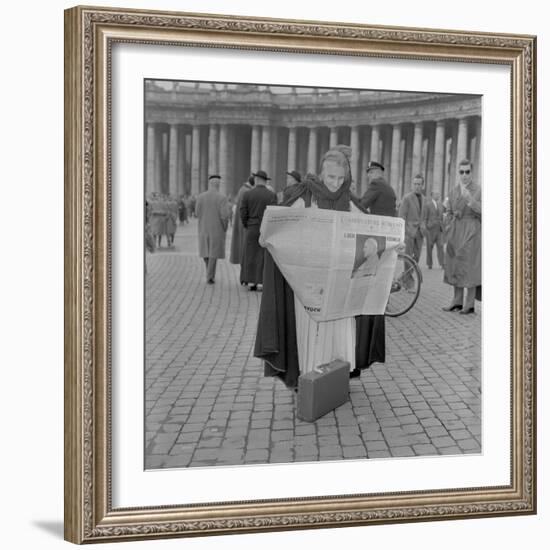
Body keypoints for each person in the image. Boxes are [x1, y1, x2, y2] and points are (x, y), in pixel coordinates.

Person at [254, 145, 386, 389]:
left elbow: (373, 229)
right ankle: (309, 378)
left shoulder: (350, 201)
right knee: (311, 331)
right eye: (330, 177)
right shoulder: (306, 196)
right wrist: (266, 236)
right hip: (308, 284)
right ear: (321, 174)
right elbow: (277, 224)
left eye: (340, 178)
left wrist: (393, 246)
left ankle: (334, 378)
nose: (335, 184)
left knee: (337, 330)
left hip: (339, 284)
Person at [442, 159, 481, 314]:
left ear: (472, 172)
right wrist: (449, 221)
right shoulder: (453, 190)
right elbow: (449, 211)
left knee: (470, 266)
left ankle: (469, 304)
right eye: (461, 172)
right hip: (456, 230)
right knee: (454, 264)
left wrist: (470, 201)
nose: (464, 175)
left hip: (472, 230)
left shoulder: (478, 189)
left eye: (467, 172)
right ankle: (456, 301)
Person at [240, 170, 277, 291]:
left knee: (250, 254)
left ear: (256, 180)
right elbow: (274, 214)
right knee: (262, 254)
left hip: (251, 227)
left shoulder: (247, 194)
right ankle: (261, 281)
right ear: (265, 181)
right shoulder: (271, 195)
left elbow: (243, 212)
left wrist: (247, 224)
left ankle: (251, 281)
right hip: (265, 228)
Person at [195, 175, 231, 284]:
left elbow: (196, 213)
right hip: (217, 229)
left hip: (203, 228)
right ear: (218, 185)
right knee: (213, 253)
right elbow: (224, 215)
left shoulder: (201, 197)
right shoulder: (222, 197)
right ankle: (209, 276)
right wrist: (225, 227)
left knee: (206, 252)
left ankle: (209, 273)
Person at [229, 176, 255, 285]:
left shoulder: (242, 190)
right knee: (246, 253)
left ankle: (244, 277)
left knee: (243, 252)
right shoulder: (246, 191)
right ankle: (245, 278)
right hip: (245, 226)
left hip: (241, 225)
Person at [398, 174, 426, 263]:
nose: (417, 186)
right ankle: (408, 276)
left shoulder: (424, 199)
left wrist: (424, 227)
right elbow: (401, 217)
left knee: (417, 257)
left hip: (420, 232)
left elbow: (424, 216)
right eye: (415, 184)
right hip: (409, 232)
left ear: (422, 185)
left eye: (419, 184)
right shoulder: (407, 198)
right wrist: (405, 232)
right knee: (408, 257)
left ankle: (408, 275)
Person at [423, 190, 445, 269]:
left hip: (439, 229)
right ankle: (429, 264)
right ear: (432, 195)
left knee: (441, 246)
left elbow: (442, 217)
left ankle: (442, 263)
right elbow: (425, 217)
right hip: (430, 229)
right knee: (429, 247)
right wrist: (425, 228)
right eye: (436, 194)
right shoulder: (427, 205)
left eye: (438, 194)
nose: (438, 195)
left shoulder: (440, 205)